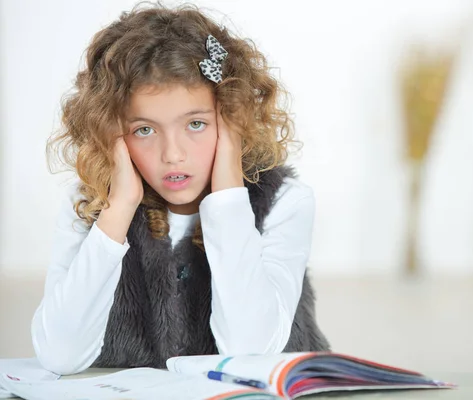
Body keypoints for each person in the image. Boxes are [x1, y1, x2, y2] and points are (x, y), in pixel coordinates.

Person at [32, 2, 330, 375]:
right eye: (144, 130)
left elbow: (250, 351)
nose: (172, 154)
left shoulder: (285, 201)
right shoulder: (91, 205)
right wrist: (119, 208)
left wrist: (227, 196)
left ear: (232, 119)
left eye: (196, 124)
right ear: (110, 133)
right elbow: (60, 355)